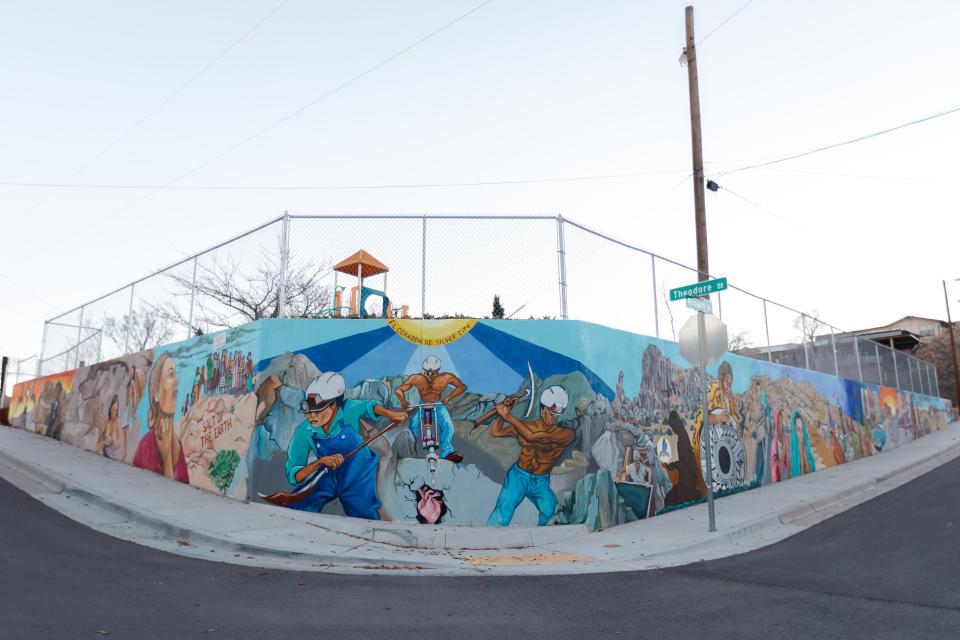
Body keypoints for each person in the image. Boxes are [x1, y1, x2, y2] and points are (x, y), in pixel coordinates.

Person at [284, 372, 408, 519]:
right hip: (329, 473)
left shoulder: (349, 409)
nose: (311, 416)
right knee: (297, 506)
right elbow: (294, 475)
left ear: (334, 405)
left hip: (360, 475)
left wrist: (391, 414)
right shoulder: (305, 431)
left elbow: (370, 407)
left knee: (365, 516)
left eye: (318, 410)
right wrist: (318, 464)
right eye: (308, 411)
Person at [486, 385, 575, 527]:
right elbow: (496, 432)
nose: (555, 418)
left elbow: (533, 437)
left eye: (558, 415)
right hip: (518, 476)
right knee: (503, 512)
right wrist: (503, 412)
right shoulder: (526, 426)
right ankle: (489, 539)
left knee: (551, 514)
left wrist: (507, 415)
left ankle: (543, 540)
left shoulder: (565, 434)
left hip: (541, 481)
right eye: (552, 414)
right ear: (542, 409)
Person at [394, 355, 466, 463]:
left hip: (438, 405)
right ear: (424, 370)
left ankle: (447, 452)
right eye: (428, 372)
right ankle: (410, 452)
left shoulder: (446, 377)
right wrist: (403, 401)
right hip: (422, 405)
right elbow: (398, 390)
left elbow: (462, 387)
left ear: (438, 370)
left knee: (448, 425)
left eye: (433, 373)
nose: (430, 375)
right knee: (413, 425)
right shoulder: (417, 378)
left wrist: (449, 397)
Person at [133, 352, 189, 483]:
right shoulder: (148, 444)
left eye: (175, 374)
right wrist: (166, 457)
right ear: (157, 394)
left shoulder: (177, 444)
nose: (177, 380)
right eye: (171, 374)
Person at [95, 394, 127, 461]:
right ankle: (109, 451)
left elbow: (118, 442)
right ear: (110, 409)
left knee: (117, 442)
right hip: (105, 448)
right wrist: (104, 443)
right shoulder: (105, 422)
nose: (114, 413)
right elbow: (97, 447)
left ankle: (111, 452)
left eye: (116, 411)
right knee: (109, 438)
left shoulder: (117, 422)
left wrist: (115, 443)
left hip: (112, 451)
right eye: (113, 410)